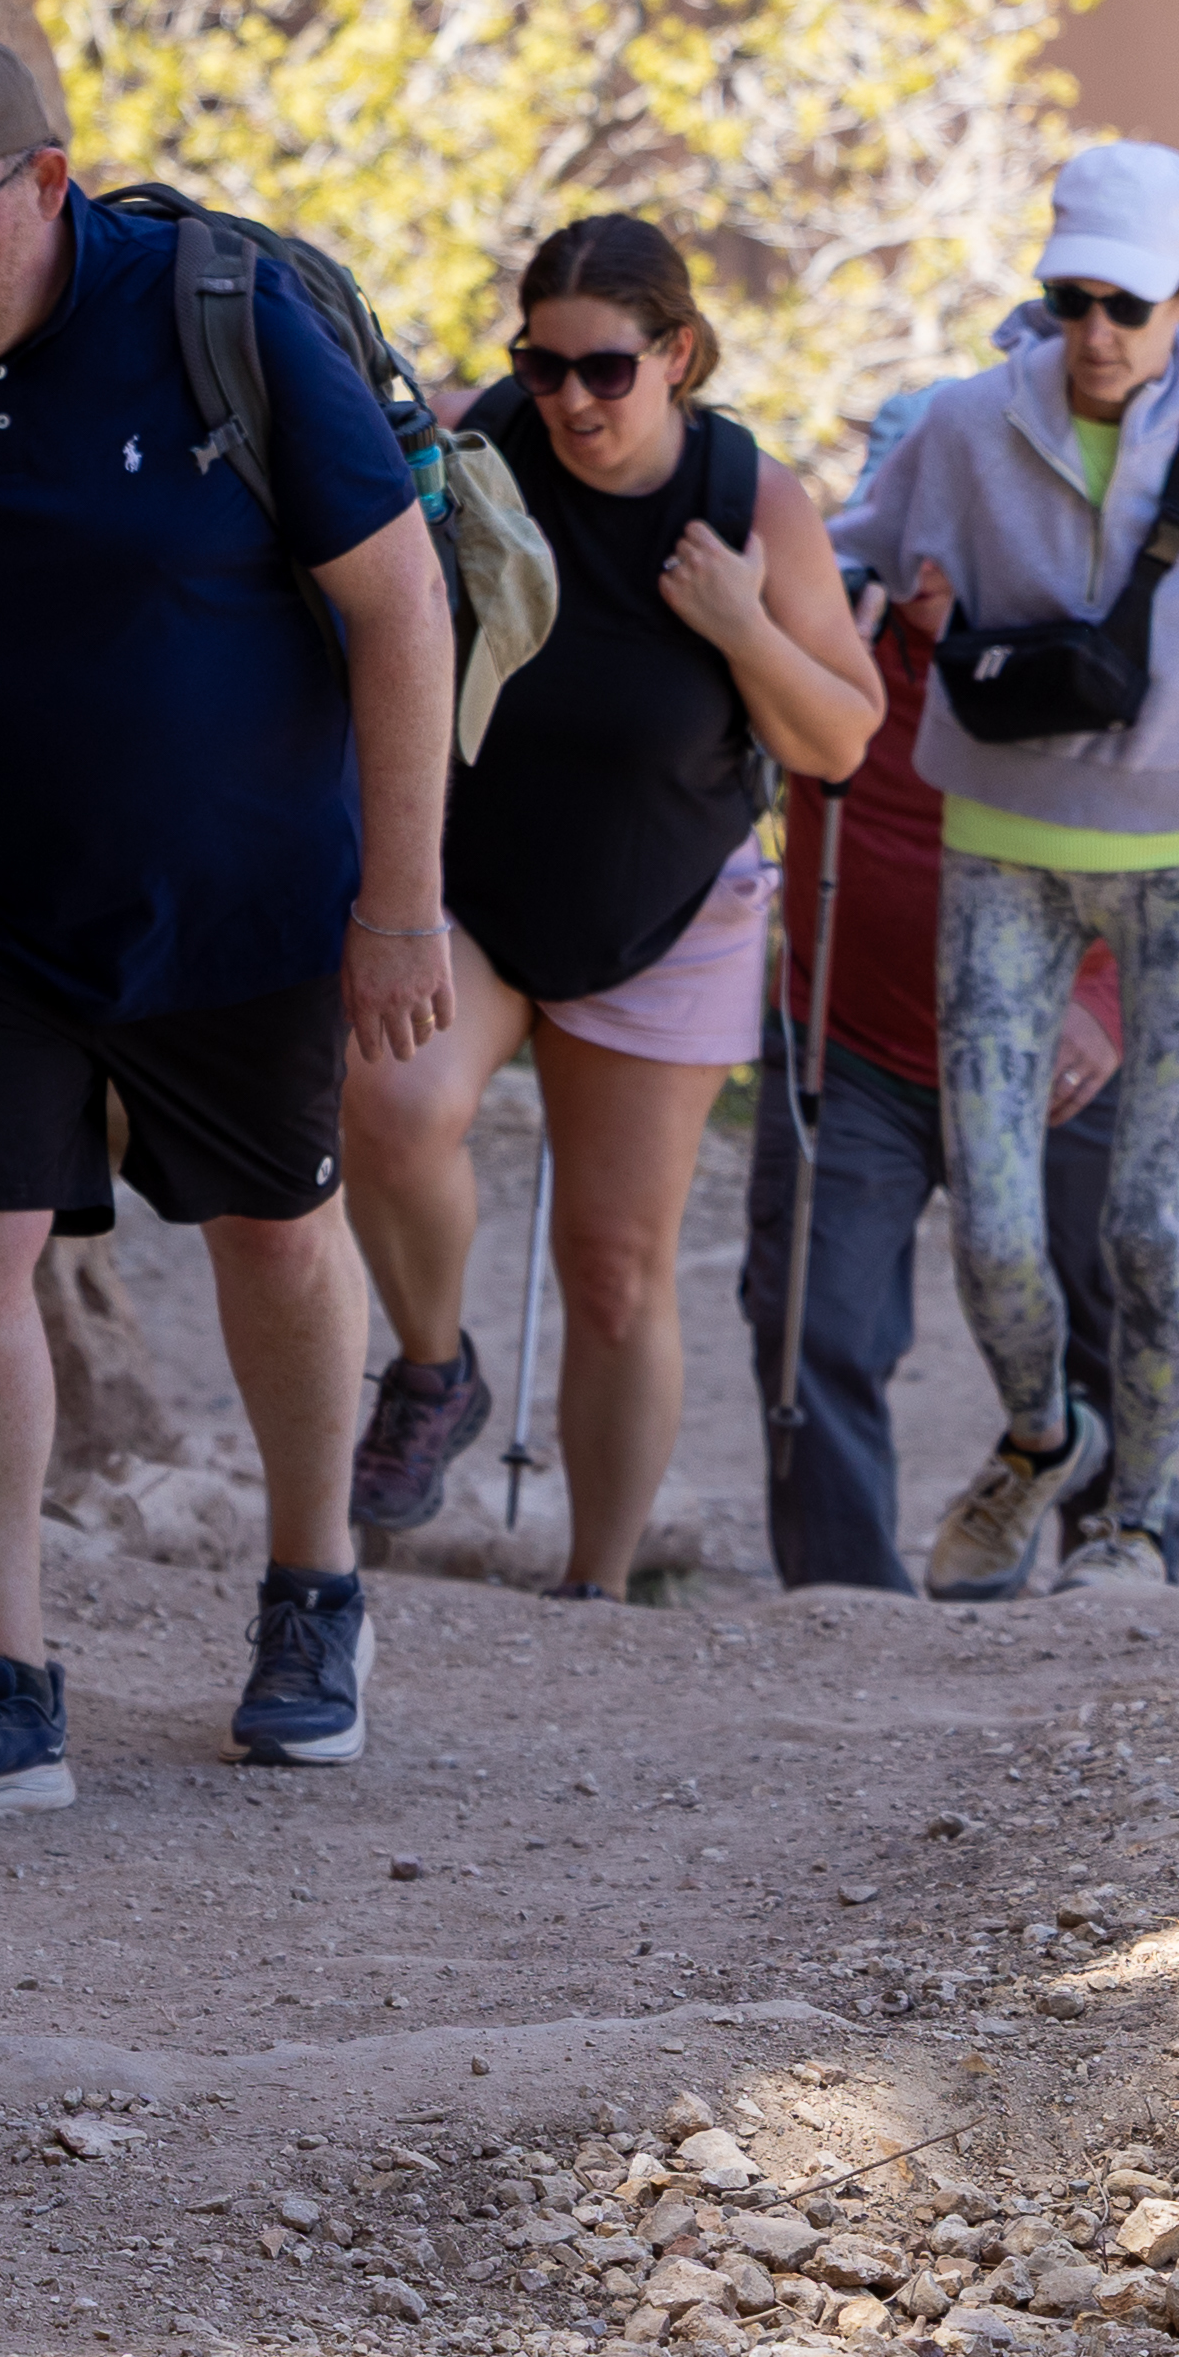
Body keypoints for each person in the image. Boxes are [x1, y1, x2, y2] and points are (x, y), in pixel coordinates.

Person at [0, 30, 454, 1820]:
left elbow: (398, 607)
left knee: (272, 1242)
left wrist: (401, 902)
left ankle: (314, 1593)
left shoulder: (217, 313)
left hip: (249, 896)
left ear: (46, 185)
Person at [828, 140, 1179, 1593]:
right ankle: (1040, 1438)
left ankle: (1137, 1521)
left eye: (1127, 308)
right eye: (1070, 299)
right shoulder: (959, 426)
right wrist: (862, 599)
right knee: (999, 1225)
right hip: (1001, 860)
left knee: (1146, 1216)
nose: (1094, 337)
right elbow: (843, 557)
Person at [338, 219, 878, 1595]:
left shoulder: (751, 499)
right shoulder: (484, 448)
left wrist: (744, 625)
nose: (572, 397)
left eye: (606, 369)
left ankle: (595, 1584)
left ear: (678, 354)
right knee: (391, 1109)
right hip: (482, 896)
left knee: (617, 1265)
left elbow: (840, 741)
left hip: (671, 911)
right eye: (545, 362)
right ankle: (433, 1367)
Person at [740, 452, 1179, 1595]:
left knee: (1103, 1317)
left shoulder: (1096, 652)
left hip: (1059, 1056)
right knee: (814, 1319)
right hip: (852, 1045)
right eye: (917, 542)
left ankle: (1119, 1571)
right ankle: (845, 1610)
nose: (937, 568)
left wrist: (1100, 1007)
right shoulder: (829, 630)